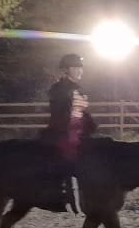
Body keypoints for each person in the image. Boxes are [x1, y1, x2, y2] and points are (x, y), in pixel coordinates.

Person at [37, 52, 98, 213]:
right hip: (63, 132)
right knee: (68, 155)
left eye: (80, 68)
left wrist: (91, 125)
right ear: (67, 70)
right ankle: (64, 193)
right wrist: (69, 130)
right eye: (75, 68)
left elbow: (84, 112)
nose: (79, 71)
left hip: (79, 132)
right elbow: (59, 114)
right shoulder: (58, 89)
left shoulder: (80, 90)